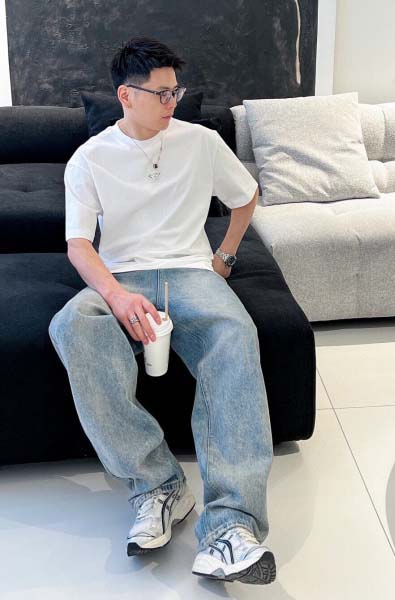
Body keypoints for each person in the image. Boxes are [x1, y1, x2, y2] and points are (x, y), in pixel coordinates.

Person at [48, 36, 276, 585]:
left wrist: (223, 258)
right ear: (126, 95)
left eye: (176, 90)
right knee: (72, 323)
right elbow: (79, 245)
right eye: (161, 93)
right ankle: (158, 486)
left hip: (192, 273)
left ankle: (231, 526)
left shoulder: (201, 141)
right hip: (122, 277)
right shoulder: (91, 157)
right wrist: (117, 295)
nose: (173, 101)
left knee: (235, 334)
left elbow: (245, 195)